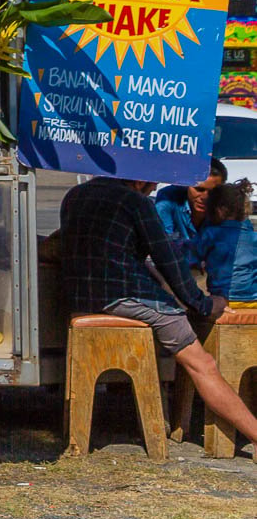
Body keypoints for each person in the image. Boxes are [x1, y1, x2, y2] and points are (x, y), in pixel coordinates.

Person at [60, 175, 257, 449]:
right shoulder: (136, 202)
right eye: (152, 182)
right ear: (139, 179)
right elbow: (168, 260)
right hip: (126, 296)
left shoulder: (75, 195)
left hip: (82, 296)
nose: (155, 188)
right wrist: (203, 304)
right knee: (203, 365)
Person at [192, 181, 257, 303]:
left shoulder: (210, 234)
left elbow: (189, 259)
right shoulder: (254, 237)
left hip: (220, 298)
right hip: (252, 298)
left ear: (219, 210)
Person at [154, 158, 226, 249]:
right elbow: (162, 245)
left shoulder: (228, 206)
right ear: (187, 185)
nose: (205, 197)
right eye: (199, 189)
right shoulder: (168, 199)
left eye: (213, 192)